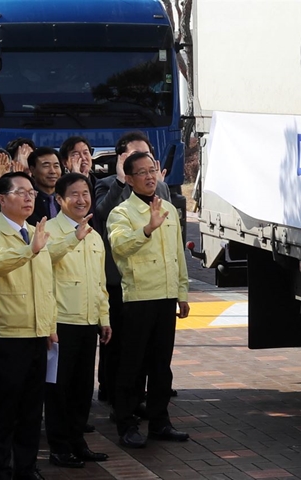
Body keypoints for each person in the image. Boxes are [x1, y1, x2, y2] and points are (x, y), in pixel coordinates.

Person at [0, 172, 56, 480]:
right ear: (2, 199)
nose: (28, 197)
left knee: (32, 410)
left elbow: (47, 285)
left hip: (37, 334)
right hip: (6, 335)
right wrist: (29, 250)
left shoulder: (37, 232)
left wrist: (50, 325)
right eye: (20, 192)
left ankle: (26, 467)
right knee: (3, 410)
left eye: (31, 192)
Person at [107, 152, 190, 448]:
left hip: (166, 297)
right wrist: (147, 229)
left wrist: (182, 293)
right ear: (128, 179)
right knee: (132, 364)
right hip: (138, 298)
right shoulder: (121, 213)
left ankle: (159, 421)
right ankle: (127, 424)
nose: (149, 177)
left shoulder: (167, 207)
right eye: (141, 172)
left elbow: (178, 256)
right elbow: (120, 247)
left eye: (151, 170)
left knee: (160, 364)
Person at [94, 131, 170, 409]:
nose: (145, 166)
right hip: (118, 278)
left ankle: (147, 400)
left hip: (155, 285)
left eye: (148, 156)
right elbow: (101, 214)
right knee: (120, 345)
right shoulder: (107, 184)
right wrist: (119, 180)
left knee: (153, 350)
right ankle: (116, 396)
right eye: (134, 155)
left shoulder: (160, 188)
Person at [44, 173, 111, 468]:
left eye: (85, 193)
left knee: (83, 389)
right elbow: (43, 264)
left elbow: (100, 283)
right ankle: (59, 448)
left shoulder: (94, 235)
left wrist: (104, 318)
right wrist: (73, 238)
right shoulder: (49, 231)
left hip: (87, 322)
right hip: (60, 325)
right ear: (59, 200)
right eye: (74, 194)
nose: (81, 199)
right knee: (59, 390)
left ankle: (77, 442)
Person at [27, 147, 62, 225]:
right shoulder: (27, 199)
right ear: (32, 170)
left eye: (56, 166)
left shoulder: (66, 197)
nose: (53, 171)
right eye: (46, 166)